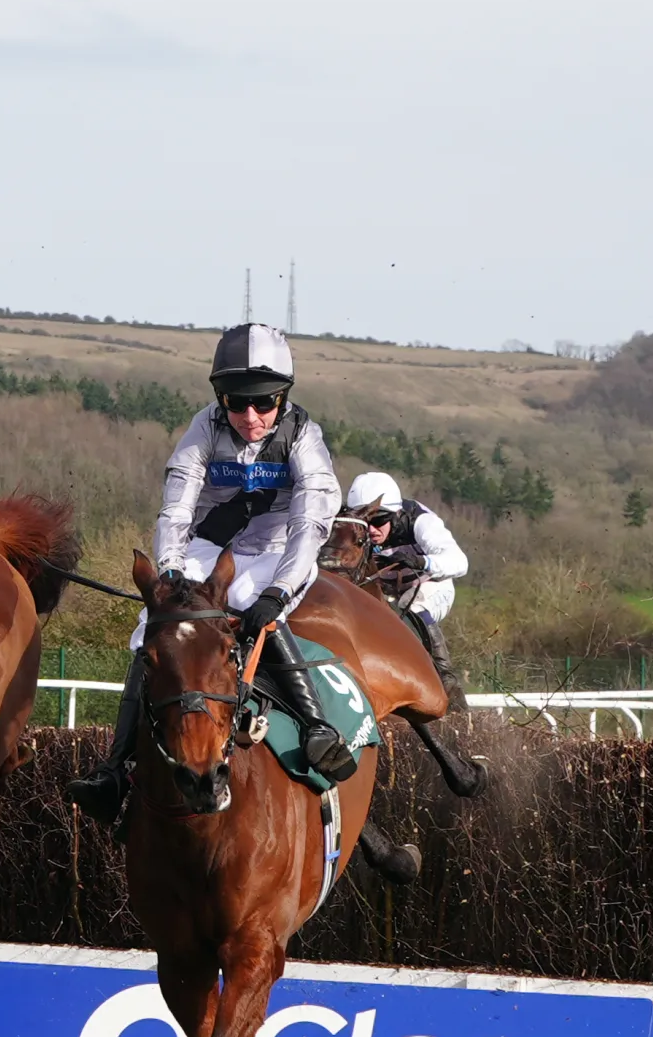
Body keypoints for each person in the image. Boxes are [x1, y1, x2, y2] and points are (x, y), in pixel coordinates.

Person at [66, 322, 350, 824]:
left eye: (264, 404)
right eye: (237, 403)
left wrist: (279, 591)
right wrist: (171, 572)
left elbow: (309, 523)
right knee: (149, 629)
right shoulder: (204, 427)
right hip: (210, 544)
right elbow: (176, 509)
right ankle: (114, 769)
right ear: (220, 398)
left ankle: (317, 728)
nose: (250, 416)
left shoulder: (304, 436)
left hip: (279, 549)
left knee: (244, 596)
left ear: (283, 398)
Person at [343, 470, 469, 704]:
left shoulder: (420, 521)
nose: (371, 529)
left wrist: (423, 562)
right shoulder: (351, 526)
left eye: (380, 520)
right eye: (366, 521)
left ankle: (447, 681)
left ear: (396, 513)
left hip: (431, 586)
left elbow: (460, 562)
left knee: (412, 607)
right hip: (386, 592)